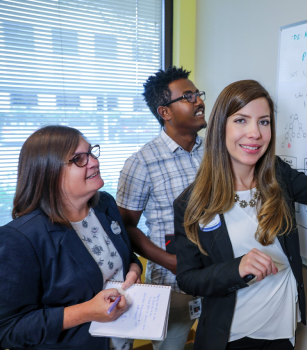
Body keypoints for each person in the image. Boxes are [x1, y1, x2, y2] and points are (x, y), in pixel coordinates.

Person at [173, 78, 307, 350]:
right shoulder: (192, 202)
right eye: (241, 120)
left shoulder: (278, 175)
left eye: (264, 121)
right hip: (232, 337)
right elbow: (188, 278)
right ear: (221, 127)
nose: (255, 133)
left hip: (282, 332)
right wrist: (236, 269)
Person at [0, 125, 142, 350]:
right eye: (78, 159)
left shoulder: (105, 205)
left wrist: (134, 269)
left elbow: (125, 254)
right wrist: (85, 312)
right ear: (48, 172)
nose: (93, 161)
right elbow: (5, 329)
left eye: (91, 152)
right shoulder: (19, 238)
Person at [116, 66, 206, 350]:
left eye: (198, 94)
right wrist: (171, 263)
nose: (199, 101)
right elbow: (124, 226)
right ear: (165, 112)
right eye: (188, 96)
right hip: (173, 286)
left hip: (219, 277)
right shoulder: (141, 162)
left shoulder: (216, 152)